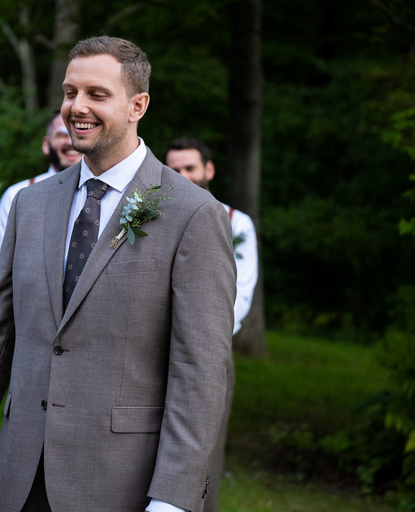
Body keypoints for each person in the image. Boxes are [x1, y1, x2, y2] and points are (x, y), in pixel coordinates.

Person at [0, 36, 236, 512]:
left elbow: (201, 374)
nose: (77, 107)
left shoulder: (192, 214)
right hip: (21, 479)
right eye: (70, 93)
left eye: (96, 94)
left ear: (138, 105)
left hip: (123, 484)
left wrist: (172, 498)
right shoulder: (30, 204)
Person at [164, 136, 259, 512]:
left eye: (189, 168)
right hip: (149, 348)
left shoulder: (237, 223)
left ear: (208, 170)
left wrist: (197, 337)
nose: (182, 176)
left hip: (208, 349)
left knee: (202, 450)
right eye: (173, 169)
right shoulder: (152, 213)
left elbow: (241, 294)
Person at [0, 109, 82, 244]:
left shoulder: (99, 196)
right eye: (62, 134)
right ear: (46, 144)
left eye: (78, 134)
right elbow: (2, 256)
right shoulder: (16, 195)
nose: (71, 142)